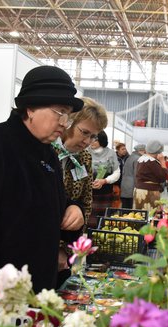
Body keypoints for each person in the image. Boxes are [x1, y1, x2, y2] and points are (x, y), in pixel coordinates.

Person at [0, 65, 85, 294]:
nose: (64, 122)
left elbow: (51, 204)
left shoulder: (47, 153)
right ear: (30, 108)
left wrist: (73, 209)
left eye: (68, 115)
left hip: (36, 290)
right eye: (60, 112)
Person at [52, 97, 108, 287]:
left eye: (93, 136)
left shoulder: (84, 158)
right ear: (68, 122)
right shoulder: (45, 151)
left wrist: (67, 249)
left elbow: (86, 202)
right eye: (84, 132)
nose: (87, 141)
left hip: (65, 248)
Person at [87, 130, 119, 229]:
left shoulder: (111, 153)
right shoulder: (85, 151)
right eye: (90, 139)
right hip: (87, 193)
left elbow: (117, 172)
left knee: (101, 222)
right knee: (87, 221)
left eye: (95, 140)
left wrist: (104, 181)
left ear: (102, 140)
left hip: (104, 193)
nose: (91, 142)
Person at [133, 140, 168, 212]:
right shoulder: (152, 162)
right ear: (158, 151)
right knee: (150, 215)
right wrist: (162, 162)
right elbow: (163, 177)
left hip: (139, 190)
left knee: (139, 214)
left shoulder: (142, 159)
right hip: (149, 192)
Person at [120, 144, 146, 209]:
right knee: (130, 209)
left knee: (125, 207)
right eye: (144, 152)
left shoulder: (130, 157)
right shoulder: (138, 158)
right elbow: (137, 174)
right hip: (132, 187)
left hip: (125, 185)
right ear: (140, 151)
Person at [113, 142, 128, 208]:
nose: (125, 150)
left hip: (124, 183)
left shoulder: (127, 158)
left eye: (125, 149)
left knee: (122, 200)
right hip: (116, 183)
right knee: (115, 199)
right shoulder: (114, 158)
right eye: (122, 149)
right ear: (118, 150)